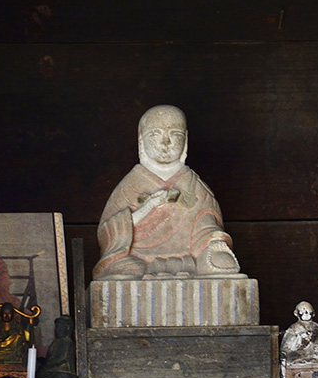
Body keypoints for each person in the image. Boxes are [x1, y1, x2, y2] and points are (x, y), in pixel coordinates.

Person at [92, 105, 242, 280]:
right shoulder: (130, 184)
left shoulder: (193, 184)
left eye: (175, 134)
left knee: (220, 262)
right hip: (139, 258)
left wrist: (212, 240)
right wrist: (149, 206)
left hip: (190, 258)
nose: (165, 143)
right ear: (141, 141)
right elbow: (109, 231)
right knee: (121, 268)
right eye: (155, 134)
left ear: (185, 140)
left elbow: (207, 220)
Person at [280, 302, 318, 368]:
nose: (307, 315)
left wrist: (317, 345)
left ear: (313, 314)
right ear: (296, 313)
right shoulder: (293, 328)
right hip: (300, 352)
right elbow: (286, 347)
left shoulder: (317, 327)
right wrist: (301, 340)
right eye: (303, 312)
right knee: (290, 356)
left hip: (314, 352)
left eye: (309, 312)